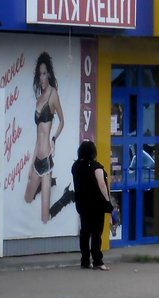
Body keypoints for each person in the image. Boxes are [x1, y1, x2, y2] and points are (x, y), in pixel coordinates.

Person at [24, 52, 70, 223]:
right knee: (27, 198)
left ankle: (65, 199)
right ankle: (49, 185)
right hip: (37, 159)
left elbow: (62, 121)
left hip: (47, 163)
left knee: (45, 218)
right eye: (39, 74)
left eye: (44, 73)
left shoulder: (53, 95)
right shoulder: (38, 98)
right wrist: (30, 166)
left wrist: (54, 139)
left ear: (49, 74)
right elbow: (38, 136)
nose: (42, 77)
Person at [71, 141, 113, 271]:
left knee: (85, 232)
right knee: (96, 233)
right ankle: (97, 261)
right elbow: (102, 185)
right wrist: (108, 202)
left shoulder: (76, 166)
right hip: (96, 205)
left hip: (82, 204)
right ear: (93, 152)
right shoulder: (96, 167)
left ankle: (85, 261)